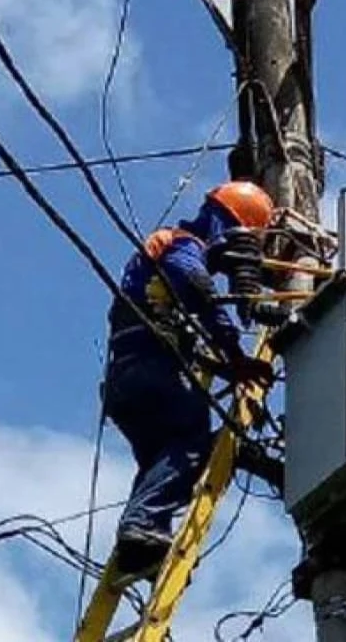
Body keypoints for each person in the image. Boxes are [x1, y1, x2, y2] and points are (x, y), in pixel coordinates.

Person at [104, 180, 277, 582]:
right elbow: (198, 287)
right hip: (150, 371)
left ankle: (140, 547)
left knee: (163, 466)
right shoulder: (183, 246)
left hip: (126, 378)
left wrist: (227, 366)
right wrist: (236, 353)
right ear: (226, 226)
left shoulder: (156, 266)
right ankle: (142, 526)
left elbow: (185, 331)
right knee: (191, 442)